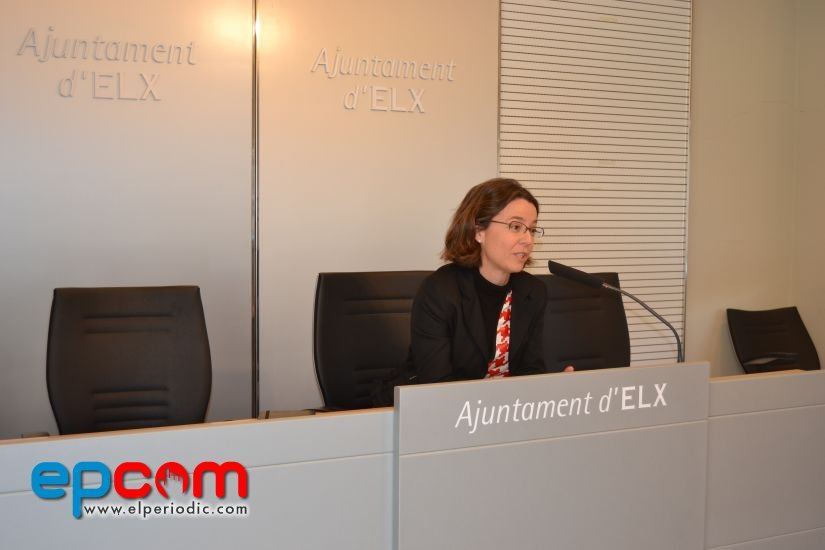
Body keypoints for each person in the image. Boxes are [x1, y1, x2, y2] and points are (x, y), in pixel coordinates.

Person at [407, 177, 548, 384]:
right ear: (479, 231)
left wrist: (554, 388)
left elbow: (531, 371)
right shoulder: (440, 291)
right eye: (516, 226)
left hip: (506, 403)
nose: (528, 240)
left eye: (532, 229)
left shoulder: (533, 291)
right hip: (442, 401)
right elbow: (437, 385)